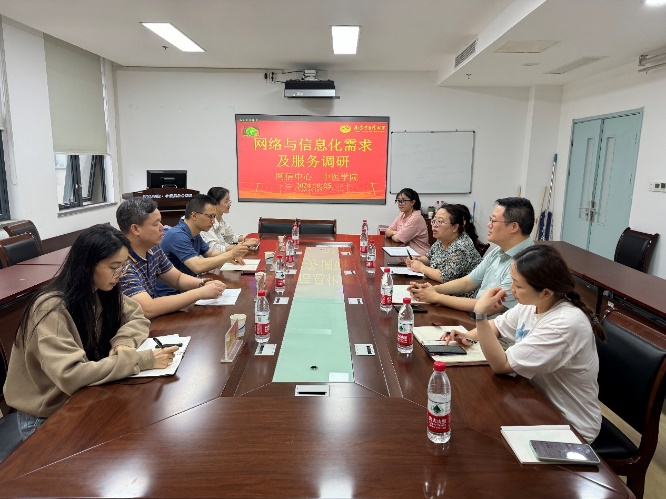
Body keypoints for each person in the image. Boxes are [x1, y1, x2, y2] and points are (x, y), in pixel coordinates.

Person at [3, 224, 178, 440]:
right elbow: (72, 375)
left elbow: (137, 316)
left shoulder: (102, 290)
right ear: (87, 265)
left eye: (123, 266)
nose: (120, 275)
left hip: (83, 396)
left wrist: (123, 342)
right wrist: (141, 360)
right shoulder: (51, 308)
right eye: (114, 267)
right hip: (46, 415)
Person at [443, 245, 604, 443]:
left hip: (569, 424)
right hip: (533, 401)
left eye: (518, 286)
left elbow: (502, 365)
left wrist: (481, 315)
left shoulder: (564, 324)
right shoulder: (534, 304)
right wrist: (467, 336)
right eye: (512, 281)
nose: (511, 290)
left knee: (480, 435)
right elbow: (497, 326)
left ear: (546, 292)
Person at [410, 197, 534, 313]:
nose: (488, 225)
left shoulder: (527, 262)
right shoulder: (498, 251)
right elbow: (468, 282)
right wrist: (431, 290)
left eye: (493, 221)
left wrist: (436, 297)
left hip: (488, 323)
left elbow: (490, 307)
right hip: (476, 316)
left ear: (514, 227)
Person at [116, 198, 226, 319]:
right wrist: (200, 293)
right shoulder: (121, 263)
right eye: (156, 224)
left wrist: (203, 283)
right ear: (135, 229)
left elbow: (177, 279)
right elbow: (147, 308)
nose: (162, 227)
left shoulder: (153, 249)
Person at [156, 194, 247, 297]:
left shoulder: (195, 233)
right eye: (210, 216)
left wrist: (230, 256)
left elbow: (210, 253)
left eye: (214, 217)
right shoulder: (177, 235)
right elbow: (197, 266)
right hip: (171, 295)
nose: (213, 221)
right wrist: (230, 254)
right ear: (194, 215)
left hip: (187, 289)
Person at [405, 204, 482, 288]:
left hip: (459, 294)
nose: (434, 225)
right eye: (434, 221)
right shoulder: (443, 239)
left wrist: (421, 268)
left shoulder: (462, 247)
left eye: (440, 222)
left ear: (455, 227)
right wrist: (418, 260)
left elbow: (445, 277)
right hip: (438, 286)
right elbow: (429, 258)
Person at [201, 187, 259, 252]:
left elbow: (231, 237)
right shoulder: (207, 223)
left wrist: (246, 240)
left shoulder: (222, 222)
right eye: (226, 201)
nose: (229, 204)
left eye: (229, 201)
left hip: (222, 255)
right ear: (215, 203)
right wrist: (243, 245)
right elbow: (214, 248)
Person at [384, 188, 430, 256]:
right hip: (405, 253)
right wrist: (396, 233)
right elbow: (387, 232)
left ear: (413, 202)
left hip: (419, 255)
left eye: (403, 200)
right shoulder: (402, 214)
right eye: (398, 200)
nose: (400, 203)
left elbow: (397, 239)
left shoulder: (416, 218)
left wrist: (395, 233)